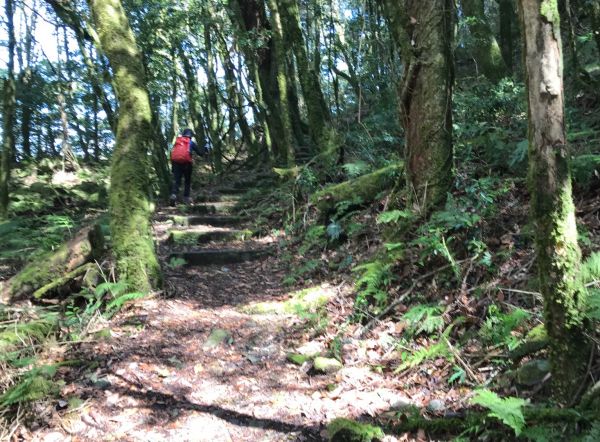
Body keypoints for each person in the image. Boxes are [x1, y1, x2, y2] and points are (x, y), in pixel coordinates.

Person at [169, 128, 206, 204]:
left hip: (176, 163)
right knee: (187, 181)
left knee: (177, 181)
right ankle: (186, 198)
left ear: (183, 134)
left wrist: (173, 167)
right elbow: (200, 153)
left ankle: (173, 194)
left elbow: (173, 154)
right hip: (187, 164)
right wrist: (205, 150)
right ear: (191, 135)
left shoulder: (177, 142)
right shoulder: (191, 143)